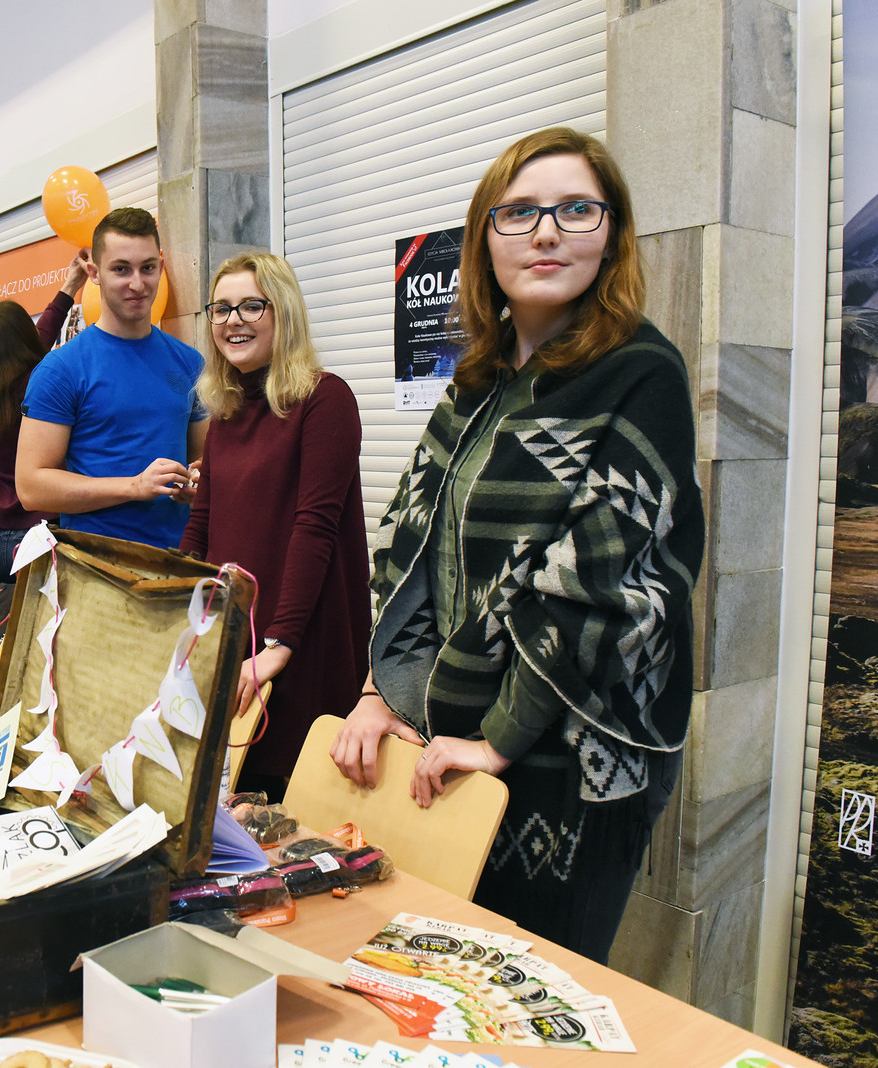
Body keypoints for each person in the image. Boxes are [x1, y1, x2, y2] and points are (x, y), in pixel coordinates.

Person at [329, 128, 705, 964]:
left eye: (576, 210)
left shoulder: (641, 372)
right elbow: (409, 544)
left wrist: (498, 737)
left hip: (572, 757)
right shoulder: (479, 379)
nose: (546, 233)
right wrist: (381, 693)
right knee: (430, 976)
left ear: (611, 234)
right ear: (484, 239)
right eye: (520, 213)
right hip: (454, 738)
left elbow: (600, 586)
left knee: (527, 990)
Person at [179, 252, 369, 800]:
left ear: (282, 311)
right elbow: (202, 526)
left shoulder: (324, 398)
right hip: (236, 638)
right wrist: (174, 611)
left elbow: (315, 527)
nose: (233, 321)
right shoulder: (226, 413)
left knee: (291, 804)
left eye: (251, 306)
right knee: (234, 801)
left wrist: (280, 645)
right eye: (221, 309)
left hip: (301, 638)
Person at [15, 208, 208, 549]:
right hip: (96, 565)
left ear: (161, 267)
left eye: (147, 268)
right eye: (121, 269)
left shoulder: (190, 362)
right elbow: (31, 488)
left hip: (177, 560)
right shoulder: (61, 369)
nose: (137, 284)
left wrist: (197, 482)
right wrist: (134, 487)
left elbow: (203, 462)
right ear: (94, 273)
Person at [0, 250, 87, 581]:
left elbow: (42, 336)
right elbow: (40, 343)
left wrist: (69, 285)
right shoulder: (36, 384)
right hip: (41, 537)